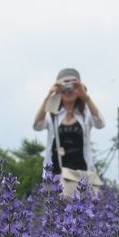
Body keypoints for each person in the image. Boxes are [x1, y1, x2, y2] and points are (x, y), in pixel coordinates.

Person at [33, 68, 105, 197]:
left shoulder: (85, 114)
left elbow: (100, 123)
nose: (69, 89)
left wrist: (85, 97)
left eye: (73, 84)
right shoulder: (52, 114)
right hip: (55, 176)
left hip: (81, 175)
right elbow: (37, 125)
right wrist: (49, 95)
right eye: (65, 84)